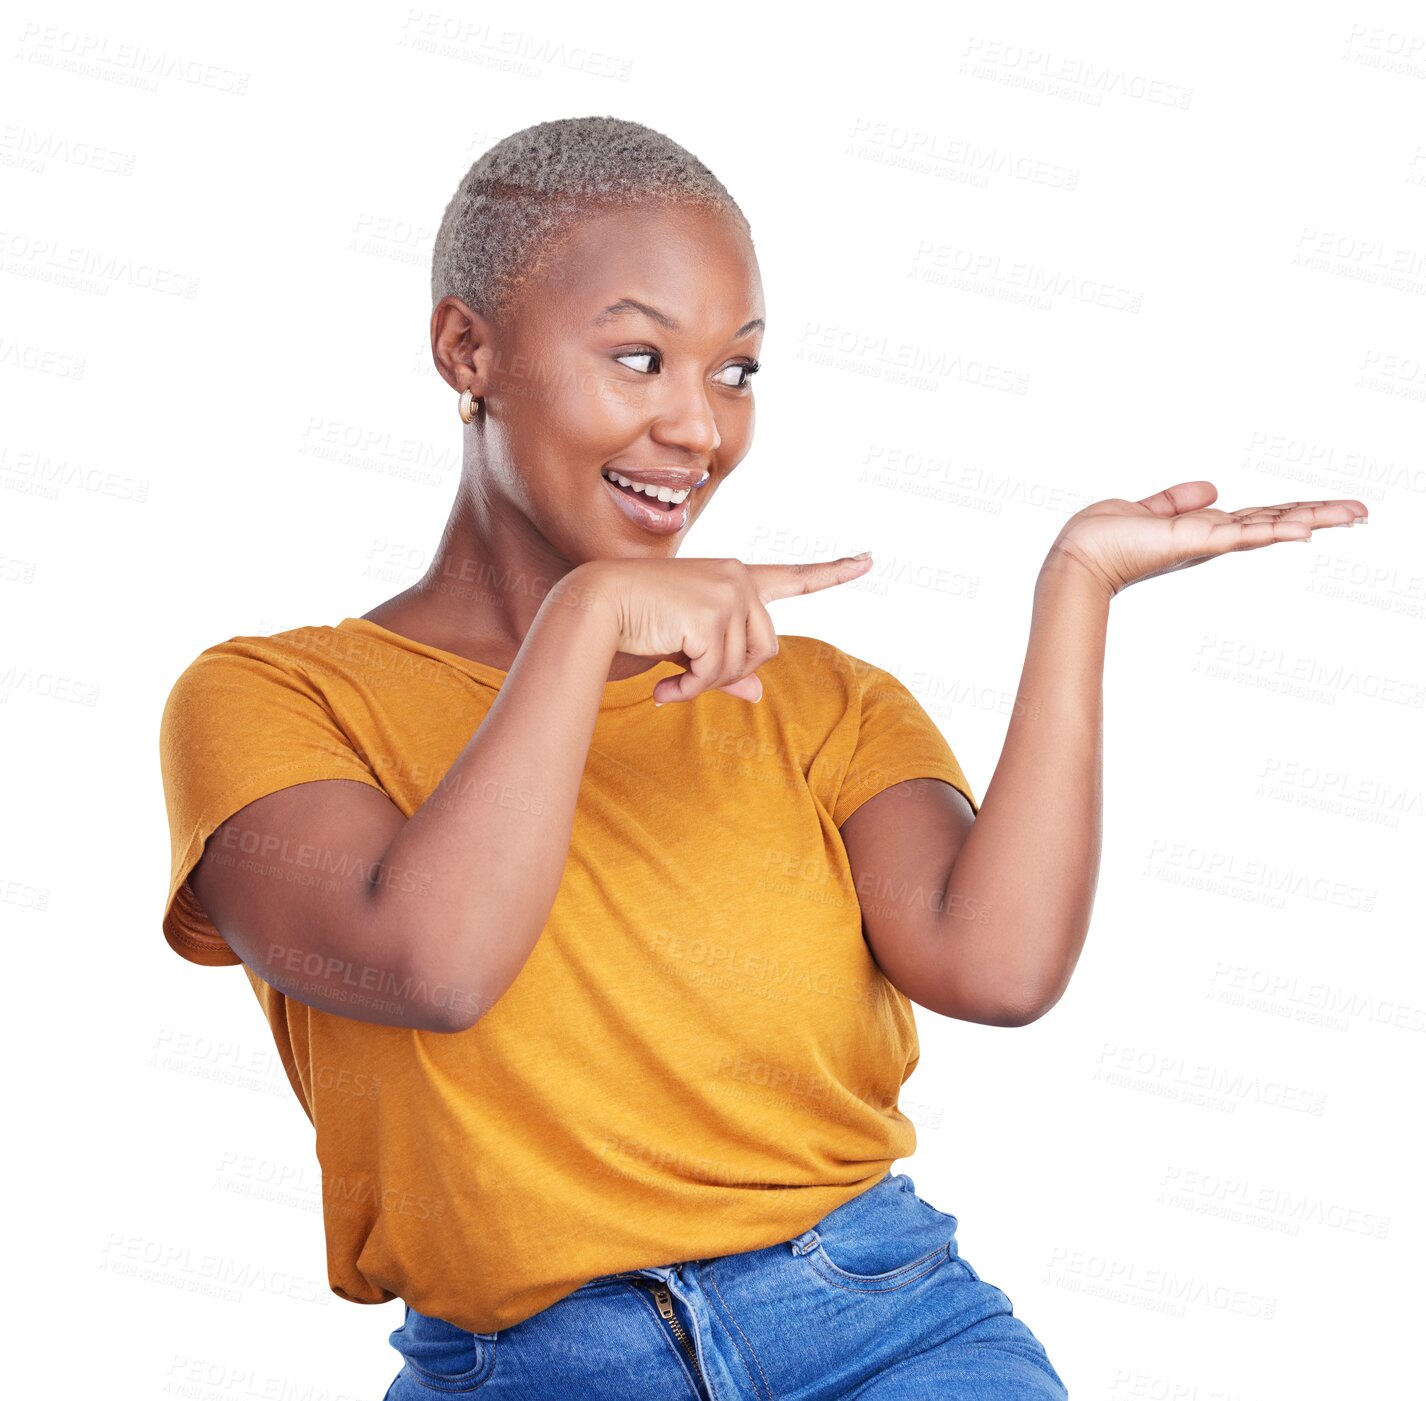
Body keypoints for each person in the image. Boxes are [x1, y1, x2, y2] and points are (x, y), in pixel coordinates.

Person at [158, 116, 1366, 1399]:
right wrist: (583, 627)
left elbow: (998, 968)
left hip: (884, 1328)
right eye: (639, 358)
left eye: (735, 374)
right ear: (469, 347)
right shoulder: (275, 696)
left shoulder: (818, 701)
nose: (699, 429)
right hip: (530, 1369)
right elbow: (430, 965)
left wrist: (1076, 591)